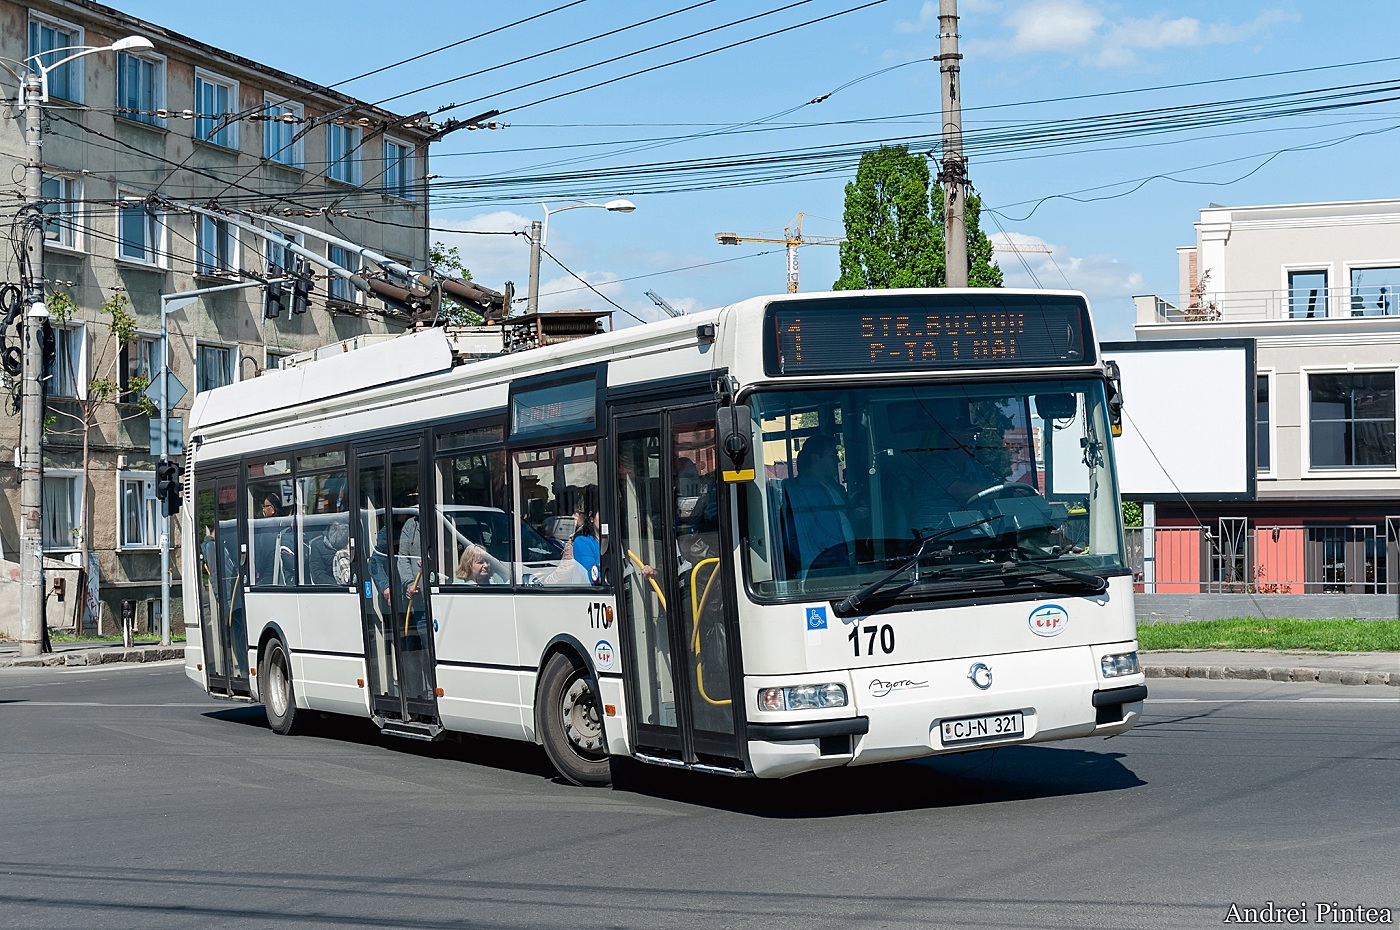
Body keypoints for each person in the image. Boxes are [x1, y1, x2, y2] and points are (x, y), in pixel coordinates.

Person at [784, 434, 856, 572]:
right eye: (832, 456)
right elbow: (794, 538)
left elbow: (841, 521)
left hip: (847, 563)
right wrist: (819, 566)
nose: (837, 461)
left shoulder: (836, 488)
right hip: (825, 571)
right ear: (815, 459)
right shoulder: (802, 492)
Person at [306, 519, 349, 586]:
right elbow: (317, 575)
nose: (339, 527)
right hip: (332, 589)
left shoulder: (349, 543)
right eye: (336, 525)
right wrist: (338, 585)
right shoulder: (317, 546)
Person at [571, 504, 602, 585]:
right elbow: (592, 576)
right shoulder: (582, 541)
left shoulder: (615, 540)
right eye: (601, 513)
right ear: (592, 517)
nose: (605, 519)